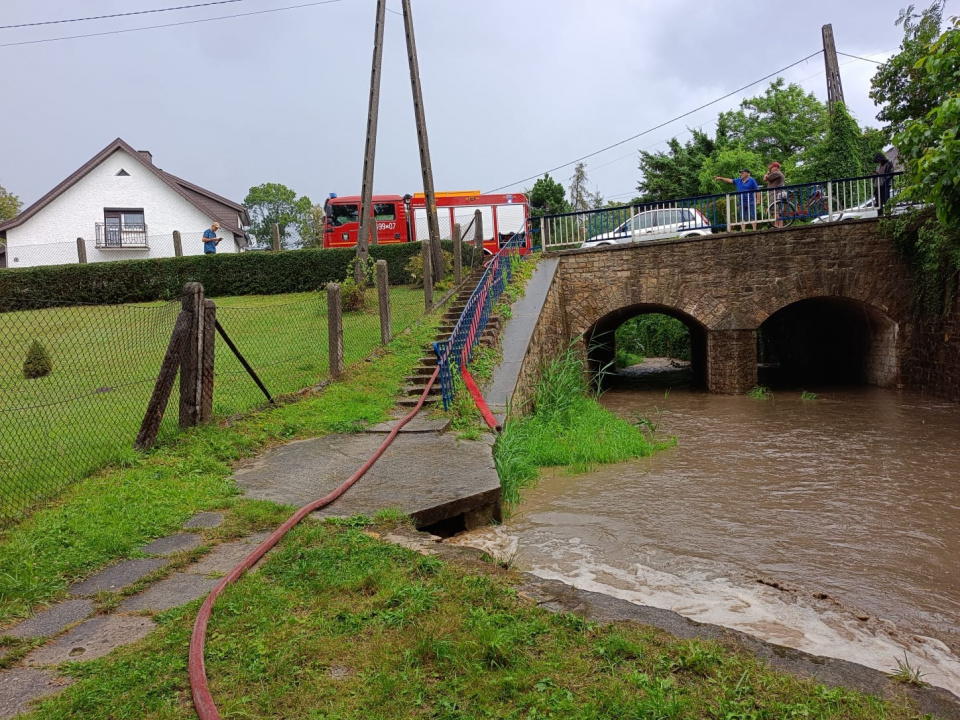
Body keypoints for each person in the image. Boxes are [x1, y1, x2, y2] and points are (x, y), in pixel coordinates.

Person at [763, 161, 787, 228]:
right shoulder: (781, 174)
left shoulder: (776, 173)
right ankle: (780, 225)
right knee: (779, 211)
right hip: (779, 193)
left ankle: (777, 225)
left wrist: (767, 174)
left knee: (775, 210)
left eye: (771, 167)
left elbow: (765, 179)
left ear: (776, 167)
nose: (770, 169)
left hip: (774, 193)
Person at [873, 152, 895, 217]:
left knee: (886, 200)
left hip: (885, 185)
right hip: (878, 185)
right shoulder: (878, 166)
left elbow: (889, 174)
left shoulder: (888, 164)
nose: (878, 162)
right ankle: (880, 214)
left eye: (879, 160)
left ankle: (888, 214)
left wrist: (881, 176)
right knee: (878, 201)